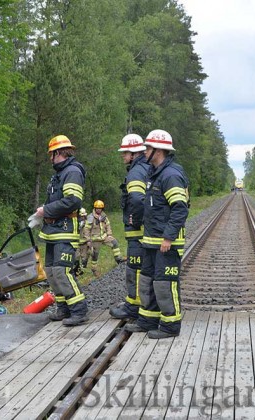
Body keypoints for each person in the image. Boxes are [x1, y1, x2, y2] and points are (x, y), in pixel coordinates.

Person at [124, 129, 189, 339]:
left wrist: (169, 237)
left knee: (164, 283)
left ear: (159, 150)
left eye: (148, 148)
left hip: (165, 242)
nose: (144, 152)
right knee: (147, 280)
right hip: (151, 241)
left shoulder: (170, 175)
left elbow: (180, 207)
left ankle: (170, 325)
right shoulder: (155, 173)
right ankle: (148, 319)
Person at [35, 135, 88, 326]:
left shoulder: (72, 172)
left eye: (51, 154)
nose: (50, 158)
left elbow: (73, 200)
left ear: (58, 153)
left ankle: (78, 310)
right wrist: (44, 211)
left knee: (61, 271)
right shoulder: (59, 173)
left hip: (65, 231)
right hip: (53, 231)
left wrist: (46, 210)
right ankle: (63, 308)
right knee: (50, 271)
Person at [109, 134, 150, 321]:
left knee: (135, 269)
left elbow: (136, 199)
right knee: (143, 269)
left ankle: (134, 308)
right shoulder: (147, 168)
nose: (122, 156)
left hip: (138, 232)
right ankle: (140, 305)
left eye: (125, 152)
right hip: (146, 231)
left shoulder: (136, 172)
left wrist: (136, 219)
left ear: (133, 153)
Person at [82, 200, 124, 276]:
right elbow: (86, 229)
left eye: (100, 208)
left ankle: (118, 259)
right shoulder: (90, 217)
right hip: (95, 239)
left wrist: (109, 234)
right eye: (97, 208)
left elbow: (108, 225)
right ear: (95, 208)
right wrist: (88, 240)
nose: (99, 210)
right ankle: (93, 269)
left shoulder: (104, 216)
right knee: (94, 255)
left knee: (114, 242)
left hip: (104, 237)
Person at [72, 207, 89, 276]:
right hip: (77, 243)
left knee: (84, 257)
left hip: (84, 243)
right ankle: (76, 270)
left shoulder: (87, 224)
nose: (82, 218)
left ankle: (82, 270)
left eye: (83, 216)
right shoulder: (75, 223)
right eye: (81, 216)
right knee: (76, 257)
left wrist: (89, 241)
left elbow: (88, 233)